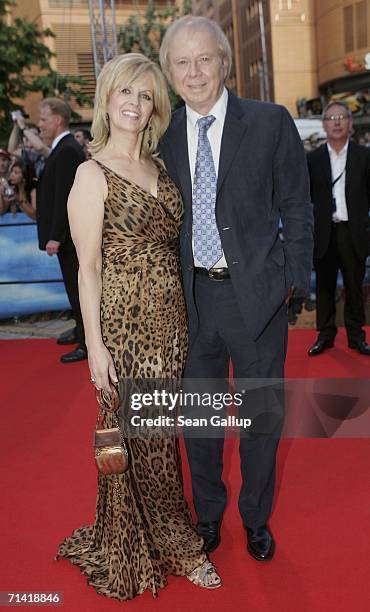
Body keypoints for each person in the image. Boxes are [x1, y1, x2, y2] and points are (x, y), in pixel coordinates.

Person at [55, 53, 221, 599]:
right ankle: (179, 546)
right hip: (125, 328)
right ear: (107, 99)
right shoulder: (90, 171)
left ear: (154, 109)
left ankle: (146, 535)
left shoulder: (159, 166)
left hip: (171, 322)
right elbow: (88, 268)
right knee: (148, 442)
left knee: (157, 436)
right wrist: (96, 346)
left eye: (146, 95)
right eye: (126, 91)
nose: (135, 102)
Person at [159, 15, 313, 561]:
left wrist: (292, 278)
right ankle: (207, 517)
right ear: (170, 72)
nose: (194, 71)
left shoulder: (271, 122)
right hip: (192, 302)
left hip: (258, 301)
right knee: (198, 423)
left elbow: (297, 204)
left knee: (260, 422)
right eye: (182, 61)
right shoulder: (164, 134)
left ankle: (254, 519)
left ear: (225, 62)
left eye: (204, 58)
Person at [307, 101, 370, 356]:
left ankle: (357, 336)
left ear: (350, 124)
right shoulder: (312, 159)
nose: (336, 122)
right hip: (324, 231)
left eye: (342, 117)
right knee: (324, 285)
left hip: (353, 230)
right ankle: (325, 334)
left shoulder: (364, 155)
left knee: (355, 286)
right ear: (323, 125)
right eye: (331, 118)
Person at [36, 98, 87, 363]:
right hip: (67, 238)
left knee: (79, 291)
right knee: (73, 289)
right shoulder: (62, 148)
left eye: (43, 119)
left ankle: (87, 343)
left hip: (69, 239)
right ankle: (80, 330)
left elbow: (65, 199)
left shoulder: (67, 150)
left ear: (58, 120)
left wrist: (56, 235)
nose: (40, 124)